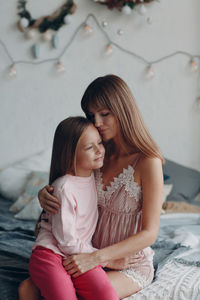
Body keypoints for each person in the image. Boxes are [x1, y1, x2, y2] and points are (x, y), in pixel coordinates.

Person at [19, 74, 163, 300]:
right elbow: (69, 189)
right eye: (91, 115)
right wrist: (46, 194)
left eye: (104, 114)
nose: (96, 122)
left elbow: (150, 233)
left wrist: (97, 258)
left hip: (124, 261)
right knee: (27, 289)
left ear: (123, 110)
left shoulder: (148, 162)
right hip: (80, 252)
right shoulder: (95, 152)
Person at [25, 116, 119, 300]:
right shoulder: (64, 188)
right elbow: (66, 242)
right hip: (51, 253)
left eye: (99, 143)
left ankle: (31, 286)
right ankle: (32, 286)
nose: (100, 150)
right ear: (70, 154)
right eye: (90, 147)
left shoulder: (96, 175)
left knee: (107, 295)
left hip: (78, 254)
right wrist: (106, 259)